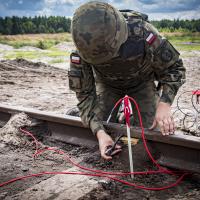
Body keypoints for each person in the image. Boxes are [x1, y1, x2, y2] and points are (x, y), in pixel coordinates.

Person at [68, 1, 186, 160]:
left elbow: (174, 68)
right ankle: (120, 117)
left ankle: (128, 115)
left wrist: (164, 104)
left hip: (142, 83)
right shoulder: (85, 48)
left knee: (153, 131)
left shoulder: (143, 33)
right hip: (107, 85)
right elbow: (84, 95)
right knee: (101, 126)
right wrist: (100, 133)